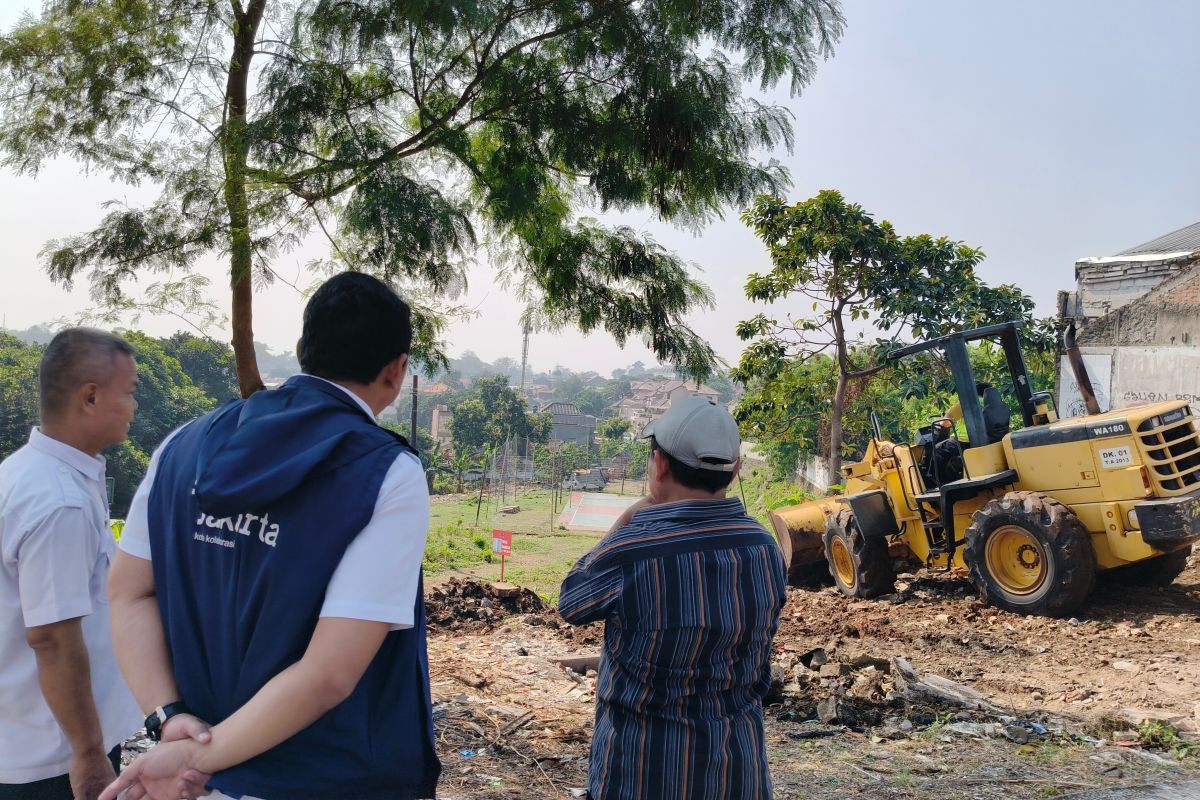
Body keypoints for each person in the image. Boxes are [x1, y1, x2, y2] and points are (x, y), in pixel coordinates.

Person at [102, 272, 440, 800]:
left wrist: (169, 719)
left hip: (199, 782)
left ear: (305, 350)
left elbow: (127, 591)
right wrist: (195, 754)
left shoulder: (182, 446)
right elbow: (329, 674)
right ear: (396, 372)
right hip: (330, 779)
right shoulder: (385, 472)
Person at [559, 396, 788, 800]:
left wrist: (630, 517)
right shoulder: (764, 547)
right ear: (734, 472)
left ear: (659, 464)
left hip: (641, 775)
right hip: (739, 774)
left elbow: (573, 600)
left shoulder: (632, 550)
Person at [0, 328, 143, 800]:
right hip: (53, 756)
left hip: (26, 734)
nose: (134, 406)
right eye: (130, 392)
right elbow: (54, 640)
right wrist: (86, 753)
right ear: (90, 397)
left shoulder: (23, 472)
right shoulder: (59, 501)